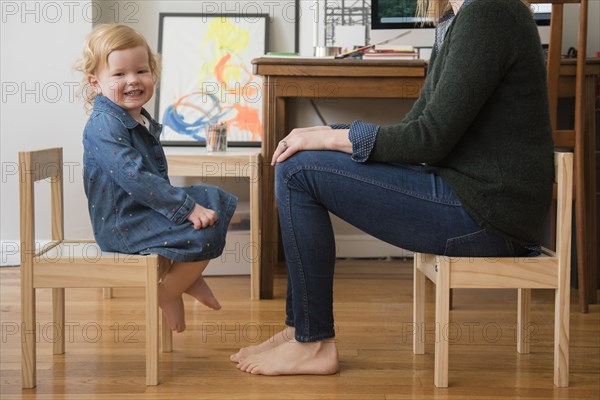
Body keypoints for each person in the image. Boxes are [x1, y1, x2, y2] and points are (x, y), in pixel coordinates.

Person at [231, 0, 554, 375]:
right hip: (475, 201)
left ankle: (313, 343)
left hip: (488, 217)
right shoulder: (456, 18)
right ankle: (300, 330)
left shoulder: (490, 11)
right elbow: (418, 125)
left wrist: (328, 138)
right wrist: (327, 133)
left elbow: (427, 140)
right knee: (297, 160)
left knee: (298, 170)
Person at [76, 24, 237, 333]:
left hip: (141, 212)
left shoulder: (133, 116)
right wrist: (186, 208)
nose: (133, 80)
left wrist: (190, 204)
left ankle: (185, 276)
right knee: (201, 228)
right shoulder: (104, 126)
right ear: (96, 83)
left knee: (215, 199)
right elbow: (134, 177)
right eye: (119, 74)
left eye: (141, 70)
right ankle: (169, 291)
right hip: (123, 225)